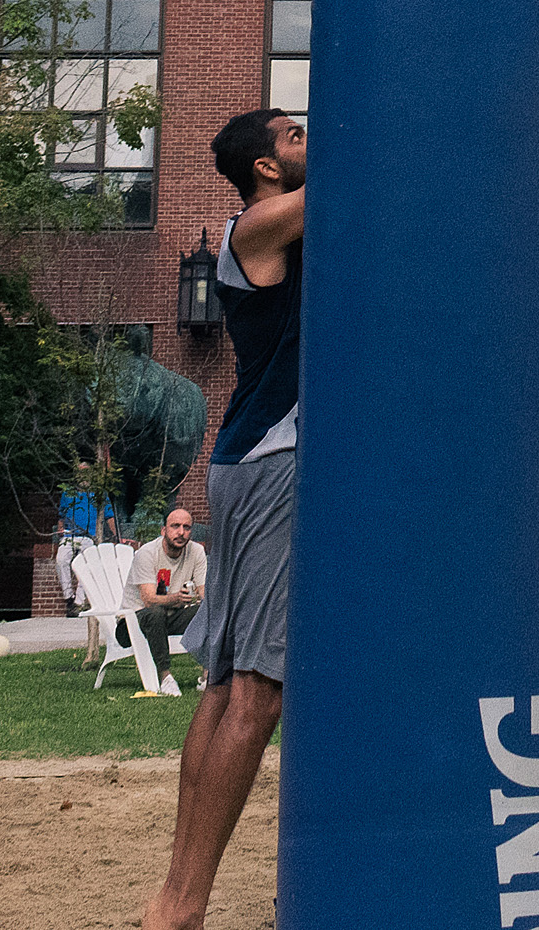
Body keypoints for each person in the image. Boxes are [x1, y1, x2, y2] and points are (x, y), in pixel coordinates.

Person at [145, 107, 305, 930]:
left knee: (222, 681)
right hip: (274, 462)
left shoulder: (266, 228)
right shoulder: (259, 224)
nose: (309, 140)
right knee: (259, 692)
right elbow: (359, 178)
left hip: (247, 460)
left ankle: (176, 897)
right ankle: (184, 901)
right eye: (296, 134)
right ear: (267, 166)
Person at [129, 507, 206, 695]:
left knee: (208, 610)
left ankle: (208, 676)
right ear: (164, 530)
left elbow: (204, 594)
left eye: (186, 527)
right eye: (175, 526)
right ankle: (166, 677)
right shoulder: (147, 553)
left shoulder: (196, 551)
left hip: (172, 618)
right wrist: (176, 598)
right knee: (156, 611)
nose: (181, 532)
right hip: (134, 622)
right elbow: (148, 600)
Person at [55, 463, 118, 616]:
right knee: (61, 560)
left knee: (88, 565)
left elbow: (109, 516)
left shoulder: (99, 494)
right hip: (70, 534)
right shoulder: (68, 493)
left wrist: (116, 536)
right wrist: (60, 530)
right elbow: (61, 516)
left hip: (88, 536)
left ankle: (78, 602)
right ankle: (68, 597)